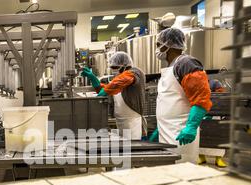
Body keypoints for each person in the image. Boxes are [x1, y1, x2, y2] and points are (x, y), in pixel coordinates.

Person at [151, 27, 212, 164]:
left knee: (182, 173)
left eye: (158, 45)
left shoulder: (186, 63)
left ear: (168, 45)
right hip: (167, 131)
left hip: (181, 134)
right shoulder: (172, 66)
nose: (157, 49)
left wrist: (191, 127)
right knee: (169, 174)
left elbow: (201, 98)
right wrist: (159, 128)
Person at [81, 51, 147, 140]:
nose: (113, 70)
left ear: (124, 65)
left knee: (133, 146)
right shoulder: (119, 79)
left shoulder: (135, 73)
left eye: (114, 67)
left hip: (132, 122)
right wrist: (93, 79)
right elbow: (107, 89)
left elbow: (114, 85)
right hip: (120, 121)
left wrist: (103, 93)